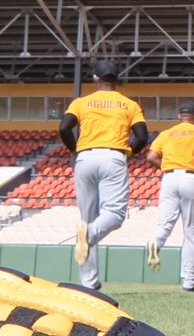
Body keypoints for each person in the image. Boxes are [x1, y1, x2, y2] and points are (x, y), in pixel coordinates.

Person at [63, 60, 149, 292]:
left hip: (85, 157)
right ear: (117, 80)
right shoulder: (129, 105)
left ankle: (89, 283)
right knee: (115, 214)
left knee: (87, 218)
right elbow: (142, 136)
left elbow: (63, 128)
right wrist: (129, 153)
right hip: (113, 156)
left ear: (95, 79)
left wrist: (74, 149)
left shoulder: (81, 103)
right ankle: (88, 235)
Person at [146, 100, 194, 292]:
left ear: (179, 116)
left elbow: (150, 157)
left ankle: (155, 242)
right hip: (190, 177)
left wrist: (167, 168)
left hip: (169, 178)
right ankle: (189, 281)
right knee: (190, 232)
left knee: (164, 224)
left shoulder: (166, 133)